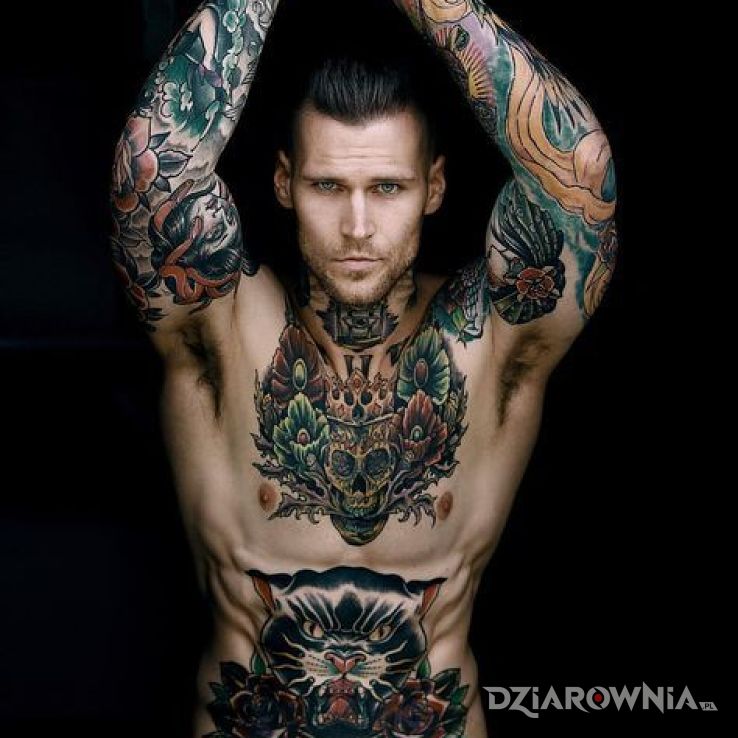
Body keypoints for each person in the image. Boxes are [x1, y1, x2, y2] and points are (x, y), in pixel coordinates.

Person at [110, 0, 618, 735]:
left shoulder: (491, 342)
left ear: (433, 189)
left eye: (387, 188)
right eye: (328, 187)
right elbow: (152, 178)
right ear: (284, 183)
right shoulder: (223, 330)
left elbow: (579, 175)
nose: (357, 227)